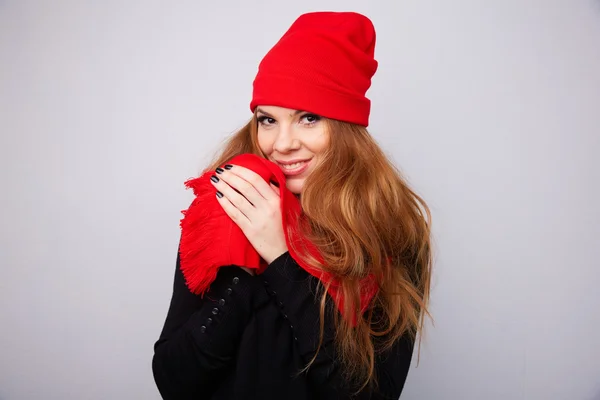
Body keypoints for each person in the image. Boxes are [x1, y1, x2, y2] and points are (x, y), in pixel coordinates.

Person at [152, 11, 432, 400]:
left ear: (346, 126)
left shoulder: (392, 230)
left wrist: (282, 259)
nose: (282, 144)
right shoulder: (226, 205)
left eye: (309, 118)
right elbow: (173, 380)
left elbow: (370, 394)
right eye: (268, 120)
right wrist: (248, 267)